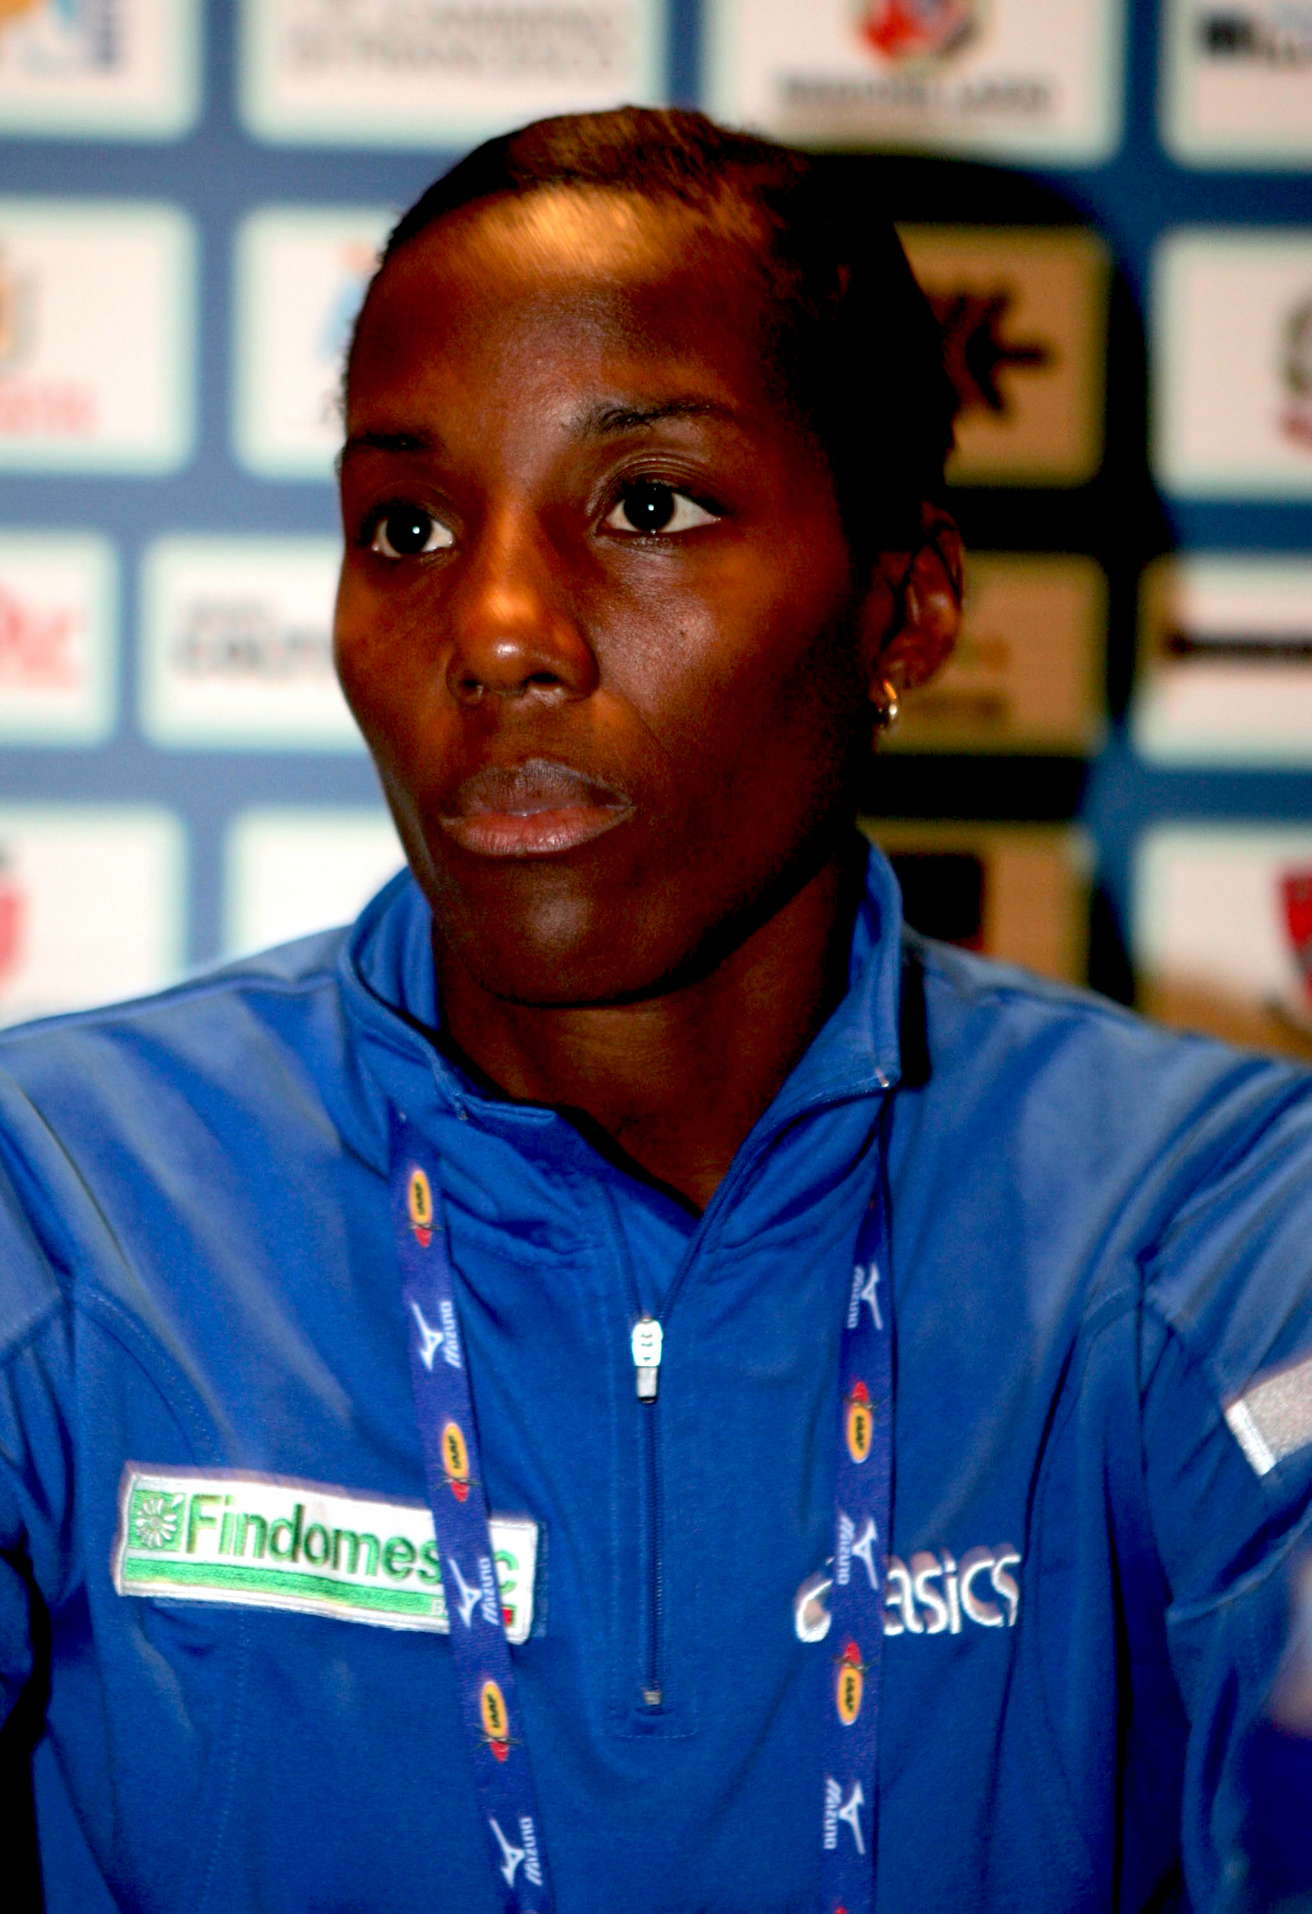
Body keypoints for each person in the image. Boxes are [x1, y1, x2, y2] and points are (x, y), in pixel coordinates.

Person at [0, 105, 1309, 1914]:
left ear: (905, 610)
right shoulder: (62, 1193)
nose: (496, 628)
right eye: (406, 525)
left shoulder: (1209, 1219)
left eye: (649, 506)